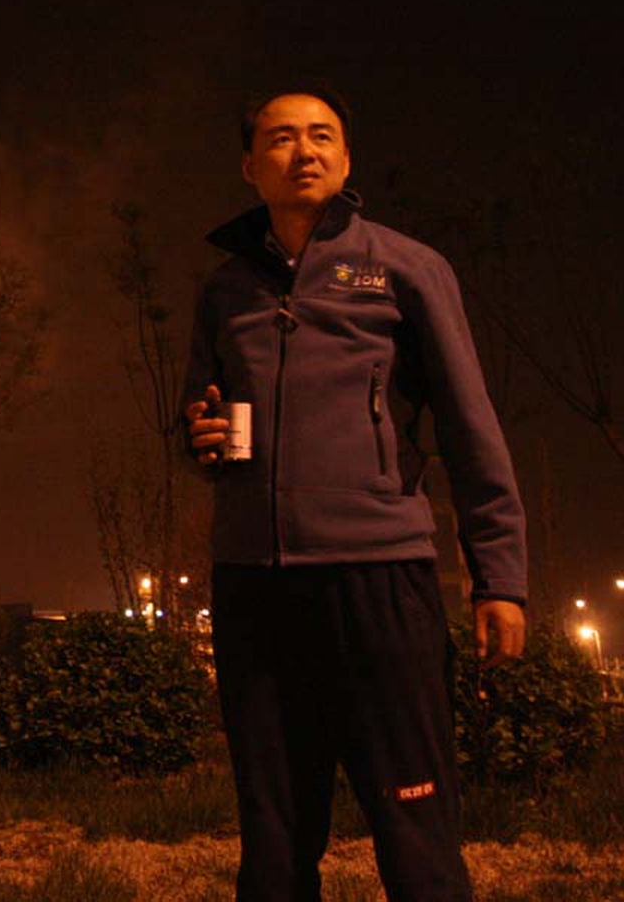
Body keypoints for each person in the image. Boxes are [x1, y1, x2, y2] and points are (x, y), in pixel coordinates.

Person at [183, 85, 527, 902]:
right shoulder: (224, 291)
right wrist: (199, 440)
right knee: (273, 840)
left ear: (345, 157)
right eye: (280, 139)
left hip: (378, 574)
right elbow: (199, 418)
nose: (303, 151)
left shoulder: (405, 268)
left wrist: (499, 575)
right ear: (248, 165)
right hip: (253, 586)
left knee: (415, 832)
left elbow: (469, 423)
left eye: (322, 135)